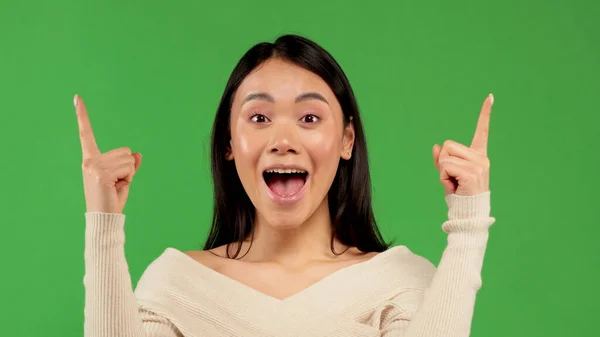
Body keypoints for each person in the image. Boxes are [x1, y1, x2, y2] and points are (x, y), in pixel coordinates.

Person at [77, 34, 495, 337]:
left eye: (309, 118)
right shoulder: (179, 285)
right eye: (259, 118)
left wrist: (469, 225)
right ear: (227, 142)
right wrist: (103, 226)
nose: (283, 141)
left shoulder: (396, 282)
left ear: (347, 140)